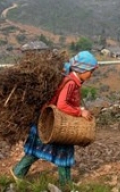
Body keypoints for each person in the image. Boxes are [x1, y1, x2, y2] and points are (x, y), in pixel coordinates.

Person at [11, 51, 98, 186]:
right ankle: (64, 184)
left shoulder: (73, 81)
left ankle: (20, 172)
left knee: (39, 151)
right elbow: (62, 105)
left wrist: (78, 109)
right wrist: (80, 113)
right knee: (59, 153)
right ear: (82, 70)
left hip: (53, 123)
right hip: (53, 124)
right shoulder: (70, 83)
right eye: (90, 71)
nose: (91, 75)